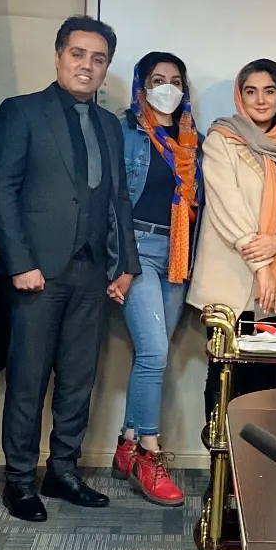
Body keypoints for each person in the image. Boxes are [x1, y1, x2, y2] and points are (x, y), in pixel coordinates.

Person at [0, 15, 139, 522]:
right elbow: (3, 190)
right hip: (38, 272)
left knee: (78, 379)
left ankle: (63, 471)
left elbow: (118, 198)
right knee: (29, 380)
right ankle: (19, 479)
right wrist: (20, 262)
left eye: (98, 59)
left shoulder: (110, 125)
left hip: (92, 272)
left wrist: (126, 264)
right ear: (58, 57)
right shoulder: (22, 111)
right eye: (78, 54)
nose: (87, 66)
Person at [186, 59, 276, 427]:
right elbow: (228, 207)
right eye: (251, 91)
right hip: (231, 279)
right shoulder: (222, 139)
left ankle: (256, 463)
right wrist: (261, 267)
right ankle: (220, 459)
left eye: (269, 91)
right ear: (240, 96)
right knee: (226, 375)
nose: (260, 100)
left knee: (266, 379)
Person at [111, 51, 201, 508]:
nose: (168, 88)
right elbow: (113, 201)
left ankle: (126, 442)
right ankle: (149, 452)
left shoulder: (192, 140)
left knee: (154, 355)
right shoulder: (125, 131)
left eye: (176, 81)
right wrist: (121, 263)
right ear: (142, 86)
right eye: (157, 79)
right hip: (138, 250)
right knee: (153, 352)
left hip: (177, 254)